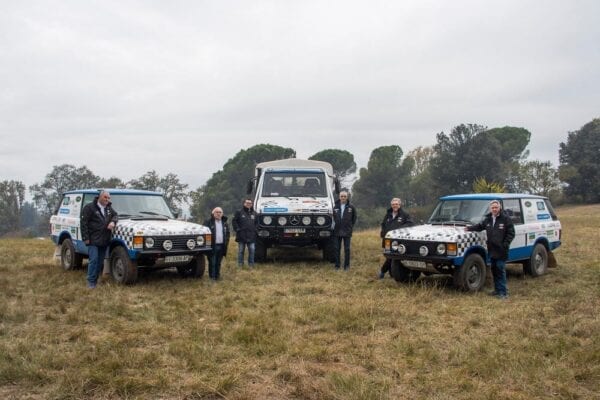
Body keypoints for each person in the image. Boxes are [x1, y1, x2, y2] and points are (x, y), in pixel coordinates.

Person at [465, 200, 515, 299]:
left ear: (499, 208)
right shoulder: (488, 219)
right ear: (490, 209)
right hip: (492, 250)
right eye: (493, 208)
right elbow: (480, 226)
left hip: (501, 250)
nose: (494, 209)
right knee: (494, 271)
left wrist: (505, 244)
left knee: (500, 270)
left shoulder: (505, 219)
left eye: (496, 207)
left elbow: (511, 233)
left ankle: (504, 293)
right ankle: (497, 290)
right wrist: (469, 228)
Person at [81, 190, 118, 289]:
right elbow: (83, 223)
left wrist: (113, 222)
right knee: (93, 260)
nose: (107, 199)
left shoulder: (109, 208)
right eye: (105, 197)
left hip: (104, 240)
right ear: (100, 197)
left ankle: (95, 280)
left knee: (100, 262)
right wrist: (86, 238)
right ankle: (90, 282)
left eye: (108, 198)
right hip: (93, 239)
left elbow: (116, 215)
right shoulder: (89, 208)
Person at [379, 197, 413, 279]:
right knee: (390, 257)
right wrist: (383, 232)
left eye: (396, 204)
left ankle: (382, 271)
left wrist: (400, 229)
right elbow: (383, 224)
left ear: (399, 205)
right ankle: (392, 274)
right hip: (387, 239)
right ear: (391, 205)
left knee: (392, 257)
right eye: (393, 204)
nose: (395, 206)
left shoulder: (404, 214)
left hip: (398, 241)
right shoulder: (388, 214)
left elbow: (410, 223)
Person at [204, 207, 230, 281]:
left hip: (222, 246)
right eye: (217, 212)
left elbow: (227, 234)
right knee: (212, 262)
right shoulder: (208, 222)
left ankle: (217, 276)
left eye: (220, 212)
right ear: (213, 213)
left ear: (222, 214)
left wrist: (226, 243)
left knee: (218, 262)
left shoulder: (224, 223)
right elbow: (205, 234)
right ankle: (212, 278)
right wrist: (208, 246)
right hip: (212, 246)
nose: (218, 214)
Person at [333, 191, 357, 270]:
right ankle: (337, 265)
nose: (343, 198)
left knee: (347, 249)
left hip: (347, 231)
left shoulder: (351, 207)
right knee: (336, 248)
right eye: (341, 196)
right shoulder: (335, 207)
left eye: (344, 196)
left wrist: (349, 226)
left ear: (347, 197)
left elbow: (354, 218)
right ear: (339, 197)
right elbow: (333, 218)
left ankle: (346, 266)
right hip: (337, 231)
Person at [232, 198, 257, 268]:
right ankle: (240, 264)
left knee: (252, 250)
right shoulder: (239, 212)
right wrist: (237, 229)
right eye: (247, 203)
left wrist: (255, 230)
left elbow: (257, 223)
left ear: (252, 204)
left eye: (250, 203)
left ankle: (251, 265)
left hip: (251, 235)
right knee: (241, 251)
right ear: (244, 204)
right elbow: (234, 221)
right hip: (241, 235)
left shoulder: (255, 213)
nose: (249, 204)